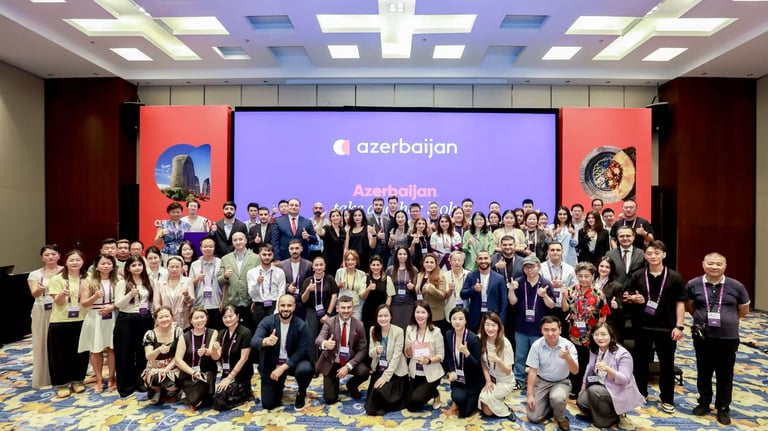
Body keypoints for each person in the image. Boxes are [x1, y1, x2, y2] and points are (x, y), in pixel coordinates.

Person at [686, 252, 750, 425]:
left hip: (728, 337)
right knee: (703, 371)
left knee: (725, 374)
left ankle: (723, 407)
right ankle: (704, 402)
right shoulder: (693, 284)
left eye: (718, 264)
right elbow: (690, 306)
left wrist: (729, 320)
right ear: (703, 264)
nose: (714, 267)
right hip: (703, 336)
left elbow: (743, 309)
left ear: (725, 266)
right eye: (710, 263)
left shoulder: (736, 286)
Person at [624, 240, 686, 414]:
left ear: (664, 255)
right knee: (640, 363)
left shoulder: (675, 277)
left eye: (657, 253)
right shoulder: (638, 275)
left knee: (667, 364)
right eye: (650, 253)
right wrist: (633, 299)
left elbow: (680, 303)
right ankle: (640, 393)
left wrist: (679, 326)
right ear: (645, 255)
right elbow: (626, 296)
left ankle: (667, 398)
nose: (653, 256)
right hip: (642, 327)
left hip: (667, 328)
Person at [577, 322, 644, 430]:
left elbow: (625, 380)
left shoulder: (623, 354)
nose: (600, 338)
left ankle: (613, 417)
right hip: (602, 385)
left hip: (618, 390)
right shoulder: (595, 349)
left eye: (603, 334)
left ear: (611, 335)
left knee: (594, 391)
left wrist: (608, 369)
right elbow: (589, 368)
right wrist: (583, 387)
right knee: (581, 402)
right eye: (596, 335)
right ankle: (611, 412)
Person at [252, 294, 315, 410]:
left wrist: (282, 368)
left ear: (294, 307)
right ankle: (279, 384)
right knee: (268, 404)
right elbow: (254, 341)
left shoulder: (300, 325)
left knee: (306, 369)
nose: (286, 309)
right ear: (278, 306)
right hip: (272, 364)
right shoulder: (268, 321)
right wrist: (264, 341)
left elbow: (302, 351)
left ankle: (301, 392)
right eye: (283, 305)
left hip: (293, 363)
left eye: (289, 305)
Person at [561, 262, 609, 399]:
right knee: (574, 360)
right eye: (580, 276)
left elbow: (603, 314)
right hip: (574, 334)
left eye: (586, 276)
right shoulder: (571, 290)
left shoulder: (598, 293)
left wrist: (598, 333)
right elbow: (565, 309)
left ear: (593, 276)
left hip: (590, 336)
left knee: (588, 363)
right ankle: (574, 388)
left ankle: (587, 389)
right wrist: (563, 297)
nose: (583, 279)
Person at [508, 255, 556, 389]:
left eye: (532, 266)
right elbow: (512, 301)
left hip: (539, 328)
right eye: (526, 267)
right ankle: (518, 379)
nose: (529, 270)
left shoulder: (546, 283)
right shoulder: (519, 282)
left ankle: (539, 381)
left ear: (539, 267)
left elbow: (552, 305)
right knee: (520, 356)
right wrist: (511, 289)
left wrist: (544, 295)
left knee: (539, 357)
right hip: (521, 326)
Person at [47, 249, 89, 398]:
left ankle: (78, 380)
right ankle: (62, 384)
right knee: (60, 354)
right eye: (71, 260)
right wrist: (61, 295)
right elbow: (58, 302)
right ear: (65, 262)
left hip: (82, 319)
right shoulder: (56, 279)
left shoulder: (88, 278)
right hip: (60, 321)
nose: (75, 263)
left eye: (78, 260)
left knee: (81, 353)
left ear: (83, 262)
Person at [525, 316, 579, 431]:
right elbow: (532, 371)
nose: (550, 333)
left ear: (560, 330)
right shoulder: (536, 345)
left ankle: (560, 417)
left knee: (557, 398)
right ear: (541, 330)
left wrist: (568, 357)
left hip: (561, 382)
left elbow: (575, 371)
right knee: (534, 417)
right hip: (542, 381)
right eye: (546, 330)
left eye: (554, 330)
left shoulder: (568, 346)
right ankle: (550, 404)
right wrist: (529, 395)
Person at [114, 254, 155, 397]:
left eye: (139, 265)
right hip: (127, 319)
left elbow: (151, 302)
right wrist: (130, 295)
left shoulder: (148, 281)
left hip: (145, 318)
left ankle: (141, 381)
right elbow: (118, 304)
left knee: (143, 352)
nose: (137, 268)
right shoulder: (122, 283)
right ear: (128, 268)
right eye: (133, 265)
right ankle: (126, 385)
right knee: (125, 352)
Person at [315, 295, 370, 403]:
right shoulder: (329, 322)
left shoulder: (359, 325)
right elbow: (318, 340)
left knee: (364, 372)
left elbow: (363, 349)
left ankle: (351, 385)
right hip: (332, 362)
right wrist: (325, 343)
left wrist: (348, 367)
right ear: (337, 308)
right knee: (330, 399)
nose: (346, 311)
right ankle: (334, 381)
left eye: (349, 307)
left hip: (350, 360)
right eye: (343, 307)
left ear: (353, 308)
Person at [78, 253, 118, 393]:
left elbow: (122, 300)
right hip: (95, 317)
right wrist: (95, 297)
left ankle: (112, 377)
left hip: (112, 315)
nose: (106, 266)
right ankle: (99, 379)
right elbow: (83, 303)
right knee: (96, 350)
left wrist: (112, 307)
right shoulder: (88, 281)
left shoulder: (118, 280)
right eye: (103, 263)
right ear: (96, 266)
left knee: (112, 348)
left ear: (113, 266)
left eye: (109, 263)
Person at [27, 244, 61, 389]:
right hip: (41, 309)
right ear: (42, 258)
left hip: (61, 309)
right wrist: (39, 290)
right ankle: (44, 376)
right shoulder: (35, 274)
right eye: (47, 255)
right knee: (41, 342)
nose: (50, 257)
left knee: (61, 342)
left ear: (59, 256)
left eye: (53, 254)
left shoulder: (65, 271)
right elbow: (34, 294)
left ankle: (64, 374)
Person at [366, 304, 409, 415]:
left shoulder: (398, 331)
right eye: (380, 316)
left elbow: (396, 357)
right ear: (376, 317)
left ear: (391, 317)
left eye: (386, 315)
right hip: (379, 368)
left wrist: (385, 377)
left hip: (395, 371)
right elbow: (370, 353)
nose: (383, 318)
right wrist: (376, 351)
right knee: (371, 402)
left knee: (378, 393)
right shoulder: (373, 330)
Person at [176, 307, 221, 410]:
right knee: (196, 400)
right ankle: (191, 394)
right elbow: (178, 360)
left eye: (202, 317)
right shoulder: (184, 336)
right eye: (196, 318)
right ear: (191, 320)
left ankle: (194, 395)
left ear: (207, 318)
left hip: (207, 372)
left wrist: (207, 351)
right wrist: (193, 373)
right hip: (189, 373)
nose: (200, 320)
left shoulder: (213, 332)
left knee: (208, 390)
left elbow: (215, 357)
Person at [404, 302, 445, 411]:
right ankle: (430, 392)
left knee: (415, 401)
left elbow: (441, 356)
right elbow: (407, 354)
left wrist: (428, 360)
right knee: (407, 404)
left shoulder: (436, 331)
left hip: (431, 374)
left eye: (423, 312)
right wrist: (409, 347)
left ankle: (435, 393)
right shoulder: (410, 329)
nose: (420, 315)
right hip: (415, 373)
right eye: (417, 312)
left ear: (428, 314)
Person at [212, 305, 254, 411]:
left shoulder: (245, 332)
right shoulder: (222, 333)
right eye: (225, 317)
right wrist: (214, 349)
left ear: (237, 316)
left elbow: (244, 358)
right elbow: (217, 357)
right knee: (214, 397)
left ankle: (247, 394)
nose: (228, 319)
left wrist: (230, 378)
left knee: (219, 400)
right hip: (226, 374)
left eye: (231, 316)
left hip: (241, 376)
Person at [443, 307, 482, 418]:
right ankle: (460, 400)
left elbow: (477, 367)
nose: (457, 322)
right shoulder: (449, 335)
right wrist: (451, 371)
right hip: (458, 379)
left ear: (466, 320)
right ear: (450, 320)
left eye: (461, 319)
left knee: (464, 413)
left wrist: (467, 353)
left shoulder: (473, 339)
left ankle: (475, 397)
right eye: (454, 318)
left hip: (472, 380)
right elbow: (448, 357)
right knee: (458, 398)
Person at [217, 232, 259, 332]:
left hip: (249, 301)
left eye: (240, 239)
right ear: (232, 242)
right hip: (231, 301)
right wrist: (225, 276)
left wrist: (255, 300)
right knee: (231, 332)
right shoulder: (225, 258)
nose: (238, 242)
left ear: (245, 241)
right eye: (235, 240)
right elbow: (219, 280)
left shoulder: (256, 258)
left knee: (248, 331)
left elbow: (259, 280)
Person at [478, 312, 517, 421]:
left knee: (486, 402)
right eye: (487, 325)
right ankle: (498, 399)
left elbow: (508, 371)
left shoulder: (506, 344)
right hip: (491, 379)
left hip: (505, 381)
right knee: (487, 411)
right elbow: (483, 363)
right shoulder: (481, 339)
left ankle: (507, 410)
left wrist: (498, 360)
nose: (490, 328)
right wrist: (488, 381)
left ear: (499, 327)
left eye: (493, 325)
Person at [300, 256, 339, 364]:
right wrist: (308, 290)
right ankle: (314, 362)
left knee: (328, 335)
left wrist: (328, 314)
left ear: (325, 266)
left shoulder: (330, 279)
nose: (319, 267)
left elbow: (334, 296)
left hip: (327, 311)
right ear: (312, 267)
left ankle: (326, 362)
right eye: (316, 265)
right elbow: (303, 300)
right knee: (311, 335)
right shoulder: (308, 280)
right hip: (312, 310)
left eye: (321, 264)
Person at [142, 306, 183, 404]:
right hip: (155, 366)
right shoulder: (150, 334)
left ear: (172, 317)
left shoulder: (178, 331)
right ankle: (156, 390)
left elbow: (179, 355)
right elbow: (148, 356)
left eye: (167, 316)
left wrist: (166, 369)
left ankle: (172, 391)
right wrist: (158, 350)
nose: (164, 319)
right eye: (161, 317)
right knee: (155, 378)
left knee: (172, 389)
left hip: (173, 365)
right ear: (156, 320)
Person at [460, 250, 507, 332]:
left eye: (485, 258)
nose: (483, 261)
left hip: (493, 316)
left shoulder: (499, 278)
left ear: (490, 260)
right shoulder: (471, 276)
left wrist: (501, 321)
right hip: (475, 317)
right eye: (480, 258)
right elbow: (463, 294)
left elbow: (504, 302)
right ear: (476, 260)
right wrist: (473, 289)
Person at [247, 244, 286, 331]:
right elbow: (251, 294)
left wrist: (277, 310)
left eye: (269, 254)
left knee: (274, 333)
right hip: (259, 306)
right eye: (264, 254)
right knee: (259, 332)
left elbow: (281, 293)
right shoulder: (251, 272)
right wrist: (257, 283)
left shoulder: (279, 272)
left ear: (273, 255)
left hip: (274, 305)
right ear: (259, 255)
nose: (267, 257)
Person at [154, 256, 195, 330]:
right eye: (172, 267)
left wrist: (187, 296)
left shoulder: (187, 281)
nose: (174, 269)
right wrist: (163, 315)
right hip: (165, 320)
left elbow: (190, 303)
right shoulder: (160, 282)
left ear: (182, 268)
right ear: (167, 267)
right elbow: (156, 303)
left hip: (183, 320)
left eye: (177, 267)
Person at [360, 255, 395, 339]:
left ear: (382, 265)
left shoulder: (387, 279)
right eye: (373, 265)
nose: (376, 267)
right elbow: (362, 297)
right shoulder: (365, 278)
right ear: (370, 266)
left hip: (382, 312)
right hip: (368, 312)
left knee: (382, 333)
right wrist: (368, 289)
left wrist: (386, 309)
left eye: (378, 265)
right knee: (368, 334)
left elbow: (389, 296)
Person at [277, 239, 313, 319]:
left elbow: (310, 281)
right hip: (287, 301)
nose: (294, 251)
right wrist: (287, 287)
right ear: (288, 250)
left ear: (301, 249)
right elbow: (278, 283)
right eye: (292, 248)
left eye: (297, 248)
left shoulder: (309, 265)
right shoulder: (281, 265)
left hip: (303, 302)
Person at [415, 253, 448, 333]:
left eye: (431, 262)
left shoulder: (440, 276)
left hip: (435, 314)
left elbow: (442, 295)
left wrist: (431, 288)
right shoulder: (419, 275)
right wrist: (413, 287)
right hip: (422, 313)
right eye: (427, 262)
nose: (429, 264)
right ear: (423, 263)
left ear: (435, 264)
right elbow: (420, 290)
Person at [595, 257, 625, 342]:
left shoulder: (616, 286)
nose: (604, 269)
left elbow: (621, 308)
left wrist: (615, 306)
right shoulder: (591, 283)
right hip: (591, 321)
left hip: (608, 323)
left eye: (607, 267)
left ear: (611, 270)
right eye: (601, 266)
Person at [387, 246, 418, 330]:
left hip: (409, 303)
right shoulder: (390, 269)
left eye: (404, 254)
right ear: (396, 255)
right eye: (400, 254)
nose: (402, 256)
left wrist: (413, 287)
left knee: (407, 328)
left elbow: (418, 288)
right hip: (394, 303)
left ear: (408, 255)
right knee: (395, 328)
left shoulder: (414, 270)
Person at [335, 249, 367, 320]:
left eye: (353, 259)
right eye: (348, 259)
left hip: (356, 307)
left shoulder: (362, 274)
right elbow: (334, 289)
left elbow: (362, 293)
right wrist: (338, 286)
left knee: (355, 326)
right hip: (342, 306)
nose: (350, 262)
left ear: (356, 261)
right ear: (345, 261)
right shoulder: (339, 272)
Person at [344, 207, 377, 273]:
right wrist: (344, 261)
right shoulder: (349, 229)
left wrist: (374, 235)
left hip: (365, 259)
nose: (357, 217)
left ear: (363, 217)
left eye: (359, 215)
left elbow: (372, 246)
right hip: (352, 260)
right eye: (355, 215)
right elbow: (346, 248)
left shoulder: (368, 228)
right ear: (352, 217)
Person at [442, 251, 470, 317]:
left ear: (463, 261)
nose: (457, 262)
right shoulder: (444, 276)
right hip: (450, 309)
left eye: (459, 260)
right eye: (454, 260)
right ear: (450, 261)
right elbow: (442, 295)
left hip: (466, 309)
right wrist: (450, 290)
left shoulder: (469, 274)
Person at [369, 197, 391, 266]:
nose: (378, 207)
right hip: (373, 253)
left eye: (380, 205)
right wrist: (377, 236)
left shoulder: (387, 220)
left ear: (383, 206)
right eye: (376, 205)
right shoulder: (367, 220)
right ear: (373, 206)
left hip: (386, 254)